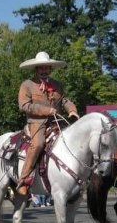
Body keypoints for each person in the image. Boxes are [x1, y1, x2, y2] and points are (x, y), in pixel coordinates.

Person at [16, 51, 79, 195]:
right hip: (37, 122)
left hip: (56, 122)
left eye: (47, 68)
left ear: (50, 69)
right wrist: (47, 110)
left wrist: (71, 109)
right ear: (36, 69)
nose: (44, 70)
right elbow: (24, 106)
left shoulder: (57, 84)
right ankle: (23, 180)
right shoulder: (27, 85)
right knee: (38, 144)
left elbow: (63, 100)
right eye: (41, 68)